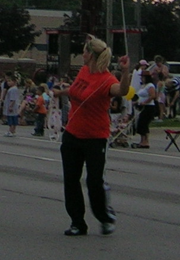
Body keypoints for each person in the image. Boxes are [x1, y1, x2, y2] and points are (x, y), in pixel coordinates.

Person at [55, 36, 130, 236]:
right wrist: (60, 93)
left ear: (91, 55)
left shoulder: (107, 80)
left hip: (95, 137)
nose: (82, 54)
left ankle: (104, 217)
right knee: (71, 180)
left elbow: (122, 91)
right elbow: (76, 90)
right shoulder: (83, 71)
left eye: (85, 51)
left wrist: (125, 71)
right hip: (72, 134)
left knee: (94, 182)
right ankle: (77, 222)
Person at [132, 73, 157, 148]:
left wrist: (145, 102)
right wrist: (136, 102)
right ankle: (142, 140)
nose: (141, 79)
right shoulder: (143, 86)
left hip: (148, 107)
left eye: (142, 77)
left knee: (144, 123)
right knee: (140, 124)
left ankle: (146, 141)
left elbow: (152, 96)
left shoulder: (150, 86)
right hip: (142, 106)